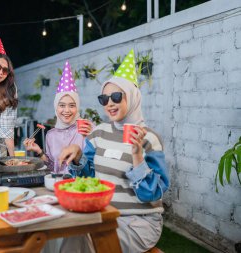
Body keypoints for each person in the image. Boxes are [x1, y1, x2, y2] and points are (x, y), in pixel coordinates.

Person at [58, 50, 169, 253]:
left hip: (138, 223)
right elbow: (87, 177)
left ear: (132, 97)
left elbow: (151, 195)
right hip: (103, 214)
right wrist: (78, 154)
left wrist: (137, 157)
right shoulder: (99, 133)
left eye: (116, 96)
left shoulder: (149, 138)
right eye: (104, 98)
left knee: (83, 242)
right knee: (64, 235)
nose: (109, 103)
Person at [23, 61, 92, 175]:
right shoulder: (51, 135)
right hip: (57, 185)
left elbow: (94, 165)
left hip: (81, 185)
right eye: (62, 105)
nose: (66, 110)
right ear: (56, 107)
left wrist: (92, 136)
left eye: (72, 105)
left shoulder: (87, 128)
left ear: (77, 106)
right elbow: (53, 167)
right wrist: (39, 151)